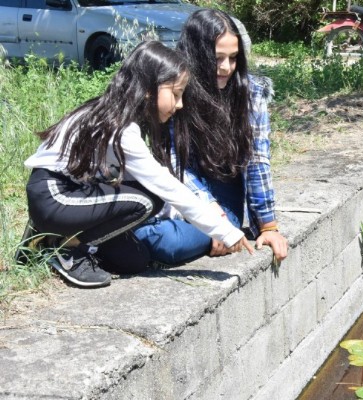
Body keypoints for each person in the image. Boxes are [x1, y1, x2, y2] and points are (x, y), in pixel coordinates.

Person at [24, 40, 253, 288]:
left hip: (77, 195)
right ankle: (64, 246)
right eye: (175, 94)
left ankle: (61, 238)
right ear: (147, 89)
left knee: (134, 261)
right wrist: (226, 232)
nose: (180, 104)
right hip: (56, 196)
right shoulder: (120, 129)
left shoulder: (119, 116)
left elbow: (156, 179)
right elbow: (167, 187)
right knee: (147, 200)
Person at [134, 9, 288, 265]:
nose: (226, 67)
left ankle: (117, 241)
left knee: (170, 245)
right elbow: (171, 159)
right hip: (173, 185)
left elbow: (257, 161)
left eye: (233, 58)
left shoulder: (250, 93)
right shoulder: (173, 89)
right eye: (217, 58)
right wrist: (205, 207)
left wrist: (268, 226)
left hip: (223, 193)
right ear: (196, 54)